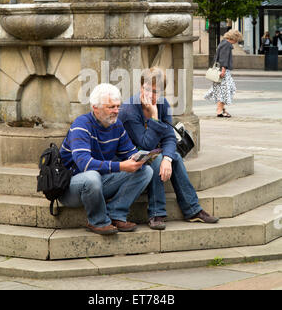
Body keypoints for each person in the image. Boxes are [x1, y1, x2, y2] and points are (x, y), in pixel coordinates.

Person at [118, 67, 219, 230]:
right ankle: (156, 213)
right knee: (158, 161)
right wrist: (155, 117)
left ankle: (193, 210)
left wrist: (168, 158)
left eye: (156, 91)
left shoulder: (163, 103)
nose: (151, 95)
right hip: (131, 155)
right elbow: (145, 145)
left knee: (174, 158)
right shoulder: (130, 110)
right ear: (140, 87)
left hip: (153, 151)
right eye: (147, 89)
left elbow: (170, 136)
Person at [59, 83, 153, 235]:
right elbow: (84, 163)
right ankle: (98, 221)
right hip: (71, 188)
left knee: (146, 171)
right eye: (111, 107)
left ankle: (116, 214)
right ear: (95, 107)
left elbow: (129, 152)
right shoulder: (81, 125)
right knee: (92, 177)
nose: (116, 111)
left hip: (100, 182)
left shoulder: (117, 125)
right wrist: (121, 166)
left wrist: (140, 158)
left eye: (118, 106)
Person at [205, 29, 243, 118]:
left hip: (220, 70)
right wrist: (223, 71)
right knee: (226, 90)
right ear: (234, 38)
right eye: (237, 39)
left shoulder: (223, 42)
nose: (236, 42)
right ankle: (220, 110)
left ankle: (221, 109)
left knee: (223, 90)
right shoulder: (227, 45)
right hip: (224, 71)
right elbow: (223, 59)